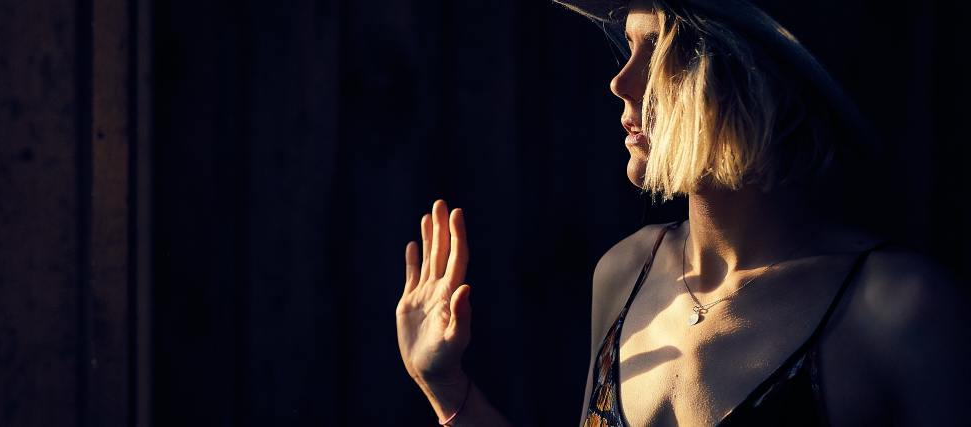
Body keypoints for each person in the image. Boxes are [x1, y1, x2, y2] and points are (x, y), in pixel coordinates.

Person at [394, 0, 969, 425]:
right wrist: (447, 387)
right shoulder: (625, 273)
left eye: (662, 53)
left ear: (751, 75)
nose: (621, 81)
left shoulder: (897, 309)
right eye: (628, 46)